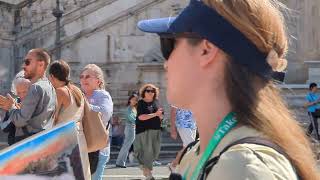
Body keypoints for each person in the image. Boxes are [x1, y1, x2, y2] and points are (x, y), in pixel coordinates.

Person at [137, 0, 319, 179]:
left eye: (169, 46)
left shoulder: (241, 167)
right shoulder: (204, 154)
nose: (166, 63)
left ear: (206, 50)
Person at [48, 60, 91, 179]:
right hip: (79, 136)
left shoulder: (60, 91)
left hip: (64, 138)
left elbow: (52, 118)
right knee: (80, 173)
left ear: (52, 76)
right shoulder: (77, 90)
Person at [0, 48, 56, 136]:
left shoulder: (35, 88)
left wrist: (11, 107)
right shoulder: (49, 85)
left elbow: (20, 121)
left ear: (41, 64)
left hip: (29, 141)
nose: (23, 66)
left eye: (27, 62)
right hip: (42, 139)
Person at [80, 64, 113, 180]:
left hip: (98, 147)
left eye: (88, 76)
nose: (84, 79)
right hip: (83, 146)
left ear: (98, 81)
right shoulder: (80, 96)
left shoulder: (102, 95)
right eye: (82, 76)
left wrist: (84, 107)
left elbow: (105, 113)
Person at [134, 84, 163, 180]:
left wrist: (160, 116)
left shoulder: (157, 102)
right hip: (144, 130)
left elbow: (161, 116)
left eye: (152, 91)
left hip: (156, 130)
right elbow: (141, 117)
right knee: (148, 152)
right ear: (144, 92)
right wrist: (155, 114)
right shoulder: (141, 103)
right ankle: (148, 174)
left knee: (155, 152)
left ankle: (143, 166)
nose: (151, 92)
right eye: (148, 91)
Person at [0, 77, 31, 145]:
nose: (22, 95)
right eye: (19, 93)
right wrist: (14, 111)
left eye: (24, 92)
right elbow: (4, 128)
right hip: (14, 145)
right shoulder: (13, 102)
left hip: (30, 144)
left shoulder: (34, 103)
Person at [168, 107, 196, 172]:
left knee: (187, 147)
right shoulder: (179, 97)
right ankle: (175, 164)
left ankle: (175, 165)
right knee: (190, 145)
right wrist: (173, 129)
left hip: (193, 125)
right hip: (182, 124)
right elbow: (173, 112)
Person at [116, 93, 138, 168]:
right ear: (130, 100)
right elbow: (131, 118)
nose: (135, 101)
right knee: (126, 146)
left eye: (136, 100)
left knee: (126, 146)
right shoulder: (129, 108)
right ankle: (120, 162)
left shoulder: (134, 108)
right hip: (130, 128)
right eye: (133, 99)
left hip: (132, 128)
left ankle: (121, 162)